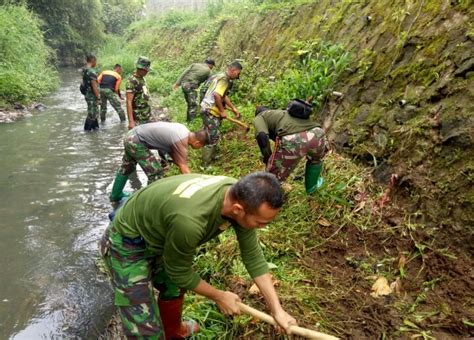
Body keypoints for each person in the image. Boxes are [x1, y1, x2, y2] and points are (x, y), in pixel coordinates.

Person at [100, 172, 297, 339]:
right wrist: (219, 296)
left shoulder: (237, 195)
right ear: (238, 210)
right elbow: (179, 271)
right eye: (261, 223)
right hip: (127, 240)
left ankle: (173, 332)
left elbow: (253, 256)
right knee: (145, 329)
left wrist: (277, 310)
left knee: (173, 287)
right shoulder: (190, 222)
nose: (263, 227)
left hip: (162, 232)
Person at [109, 121, 209, 202]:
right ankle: (145, 202)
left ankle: (115, 195)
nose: (200, 148)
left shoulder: (183, 130)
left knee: (127, 166)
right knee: (156, 174)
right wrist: (195, 187)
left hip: (131, 135)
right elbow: (185, 170)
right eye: (202, 146)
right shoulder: (181, 142)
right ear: (197, 143)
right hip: (136, 141)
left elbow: (175, 157)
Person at [253, 105, 327, 194]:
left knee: (271, 178)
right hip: (317, 134)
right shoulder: (282, 112)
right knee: (315, 161)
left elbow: (262, 137)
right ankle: (312, 189)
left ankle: (271, 202)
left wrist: (268, 158)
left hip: (295, 139)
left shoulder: (260, 116)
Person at [200, 61, 242, 165]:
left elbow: (223, 96)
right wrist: (222, 111)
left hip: (209, 109)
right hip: (210, 110)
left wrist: (233, 108)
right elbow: (217, 95)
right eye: (238, 73)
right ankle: (206, 163)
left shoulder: (221, 76)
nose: (238, 76)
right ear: (233, 70)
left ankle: (212, 156)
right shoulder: (224, 80)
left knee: (212, 133)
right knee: (212, 135)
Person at [126, 56, 154, 130]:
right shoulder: (132, 81)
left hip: (146, 115)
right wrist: (131, 122)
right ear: (141, 69)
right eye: (146, 70)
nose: (147, 72)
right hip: (138, 118)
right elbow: (129, 102)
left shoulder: (142, 79)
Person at [82, 54, 100, 131]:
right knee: (92, 114)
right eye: (96, 61)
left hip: (88, 94)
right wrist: (98, 97)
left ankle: (95, 129)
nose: (96, 63)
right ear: (93, 60)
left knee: (94, 112)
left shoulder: (85, 70)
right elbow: (94, 86)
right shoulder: (91, 71)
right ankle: (87, 131)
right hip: (92, 96)